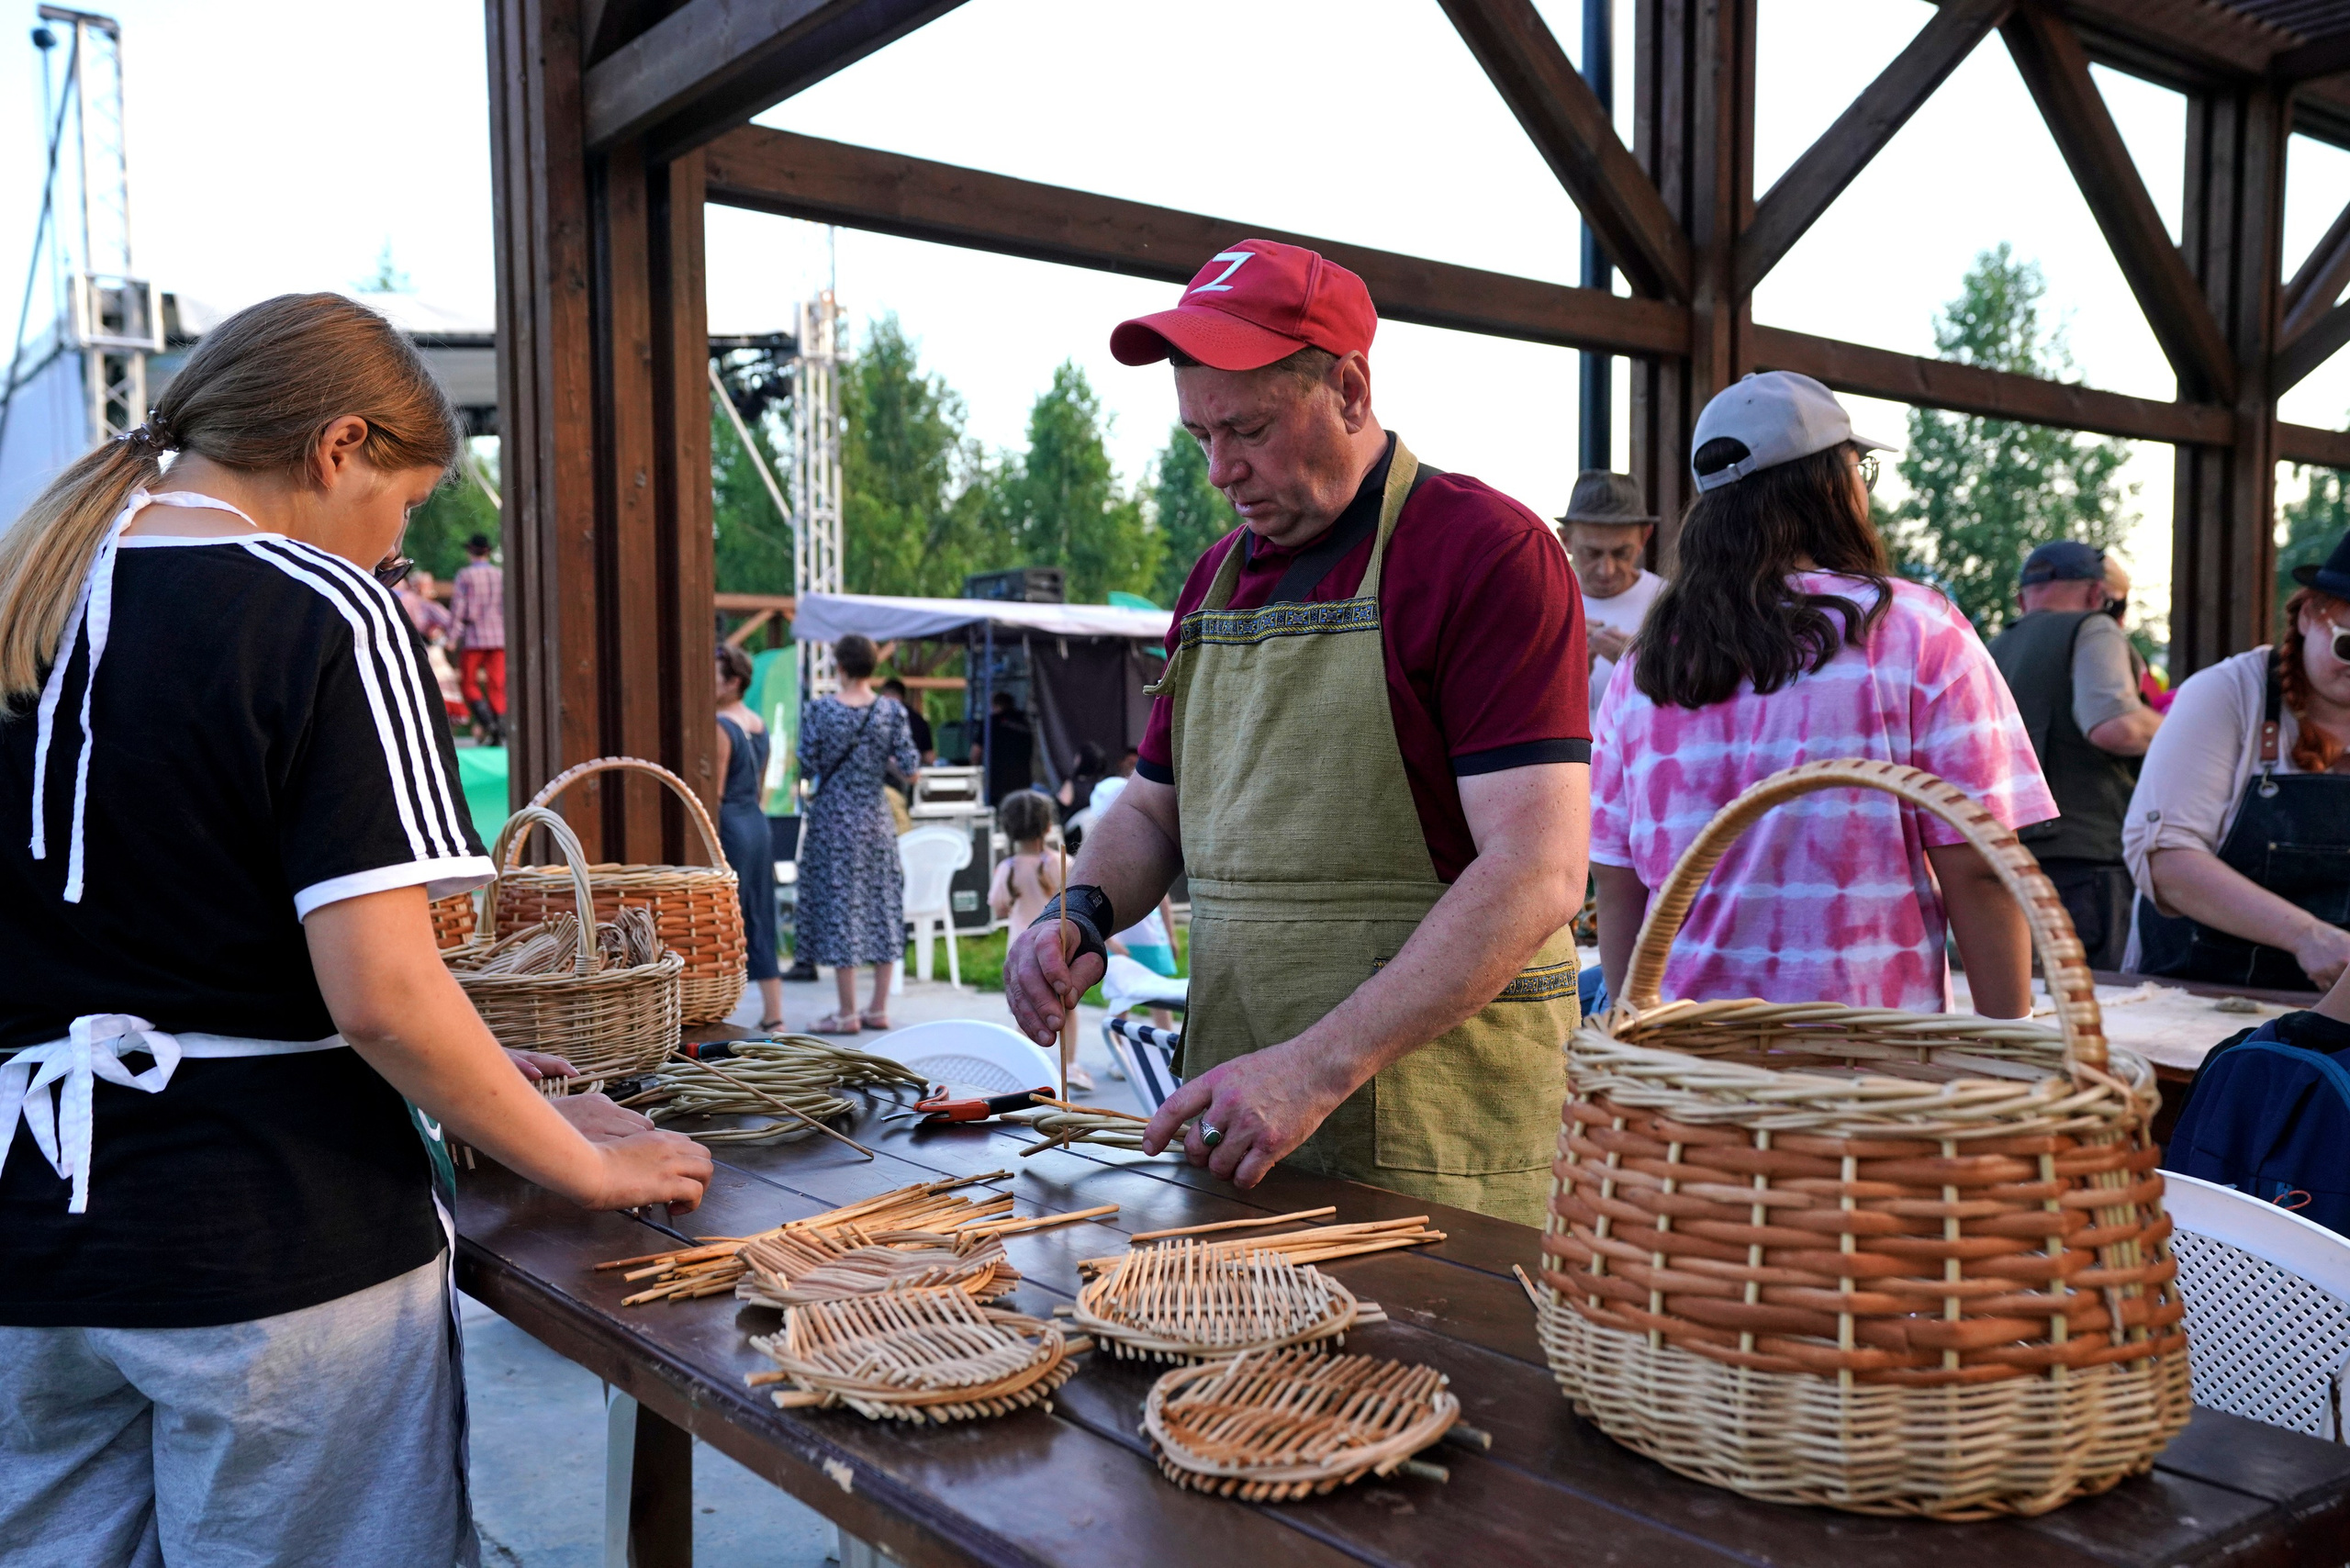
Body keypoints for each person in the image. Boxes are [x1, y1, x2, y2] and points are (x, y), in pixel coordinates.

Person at [0, 293, 711, 1566]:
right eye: (408, 500)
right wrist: (580, 1161)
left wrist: (476, 1083)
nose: (395, 543)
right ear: (339, 448)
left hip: (33, 1250)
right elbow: (380, 994)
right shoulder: (326, 610)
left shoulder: (29, 596)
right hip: (274, 1260)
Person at [1004, 238, 1591, 1226]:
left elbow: (1536, 870)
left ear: (1350, 391)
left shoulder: (1486, 553)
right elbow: (1153, 807)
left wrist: (1316, 1067)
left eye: (1249, 429)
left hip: (1439, 1139)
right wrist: (1085, 915)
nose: (1221, 470)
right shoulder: (1215, 578)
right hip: (1239, 1122)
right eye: (1198, 437)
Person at [1590, 371, 2052, 1017]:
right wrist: (2015, 1045)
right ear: (1831, 485)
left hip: (1687, 1075)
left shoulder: (1645, 669)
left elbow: (1617, 882)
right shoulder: (1917, 633)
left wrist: (1635, 1029)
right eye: (1859, 466)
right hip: (1870, 1071)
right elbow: (1979, 864)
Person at [2123, 532, 2350, 991]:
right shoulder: (2226, 694)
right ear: (2309, 615)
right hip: (2200, 995)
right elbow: (2164, 859)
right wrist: (2308, 937)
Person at [1987, 541, 2163, 970]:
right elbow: (2114, 726)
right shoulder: (2094, 627)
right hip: (2088, 868)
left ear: (2021, 598)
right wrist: (2183, 732)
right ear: (2095, 594)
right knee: (2095, 1015)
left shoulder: (1992, 649)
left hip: (2006, 865)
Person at [797, 633, 920, 1034]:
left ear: (841, 666)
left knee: (839, 909)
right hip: (876, 819)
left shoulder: (821, 710)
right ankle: (878, 1008)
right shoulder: (891, 711)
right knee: (883, 905)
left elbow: (805, 763)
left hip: (833, 819)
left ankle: (847, 1012)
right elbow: (910, 768)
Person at [1558, 470, 1665, 728]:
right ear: (1565, 540)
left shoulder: (1669, 603)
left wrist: (1643, 666)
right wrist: (1563, 675)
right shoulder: (1544, 606)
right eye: (1591, 553)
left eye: (1621, 553)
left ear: (1644, 537)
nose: (1606, 569)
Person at [716, 645, 783, 1031]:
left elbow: (718, 791)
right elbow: (758, 786)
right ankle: (775, 1014)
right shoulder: (758, 724)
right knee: (761, 913)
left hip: (731, 825)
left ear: (733, 681)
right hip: (758, 824)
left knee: (726, 916)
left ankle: (720, 1007)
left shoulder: (720, 725)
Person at [450, 531, 505, 745]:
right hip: (499, 636)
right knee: (497, 683)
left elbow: (458, 608)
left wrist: (453, 636)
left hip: (475, 635)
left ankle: (487, 722)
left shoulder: (465, 575)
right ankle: (499, 728)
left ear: (471, 552)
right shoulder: (499, 575)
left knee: (469, 682)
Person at [973, 689, 1034, 803]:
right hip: (1022, 779)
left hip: (997, 780)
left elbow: (976, 752)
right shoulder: (1025, 723)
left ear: (995, 705)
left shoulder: (991, 722)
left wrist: (974, 770)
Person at [879, 677, 935, 764]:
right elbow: (929, 757)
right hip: (912, 771)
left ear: (884, 695)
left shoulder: (878, 717)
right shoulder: (919, 720)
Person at [1056, 740, 1109, 824]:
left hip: (1074, 833)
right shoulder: (1104, 785)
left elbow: (1059, 809)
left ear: (1082, 760)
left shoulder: (1072, 785)